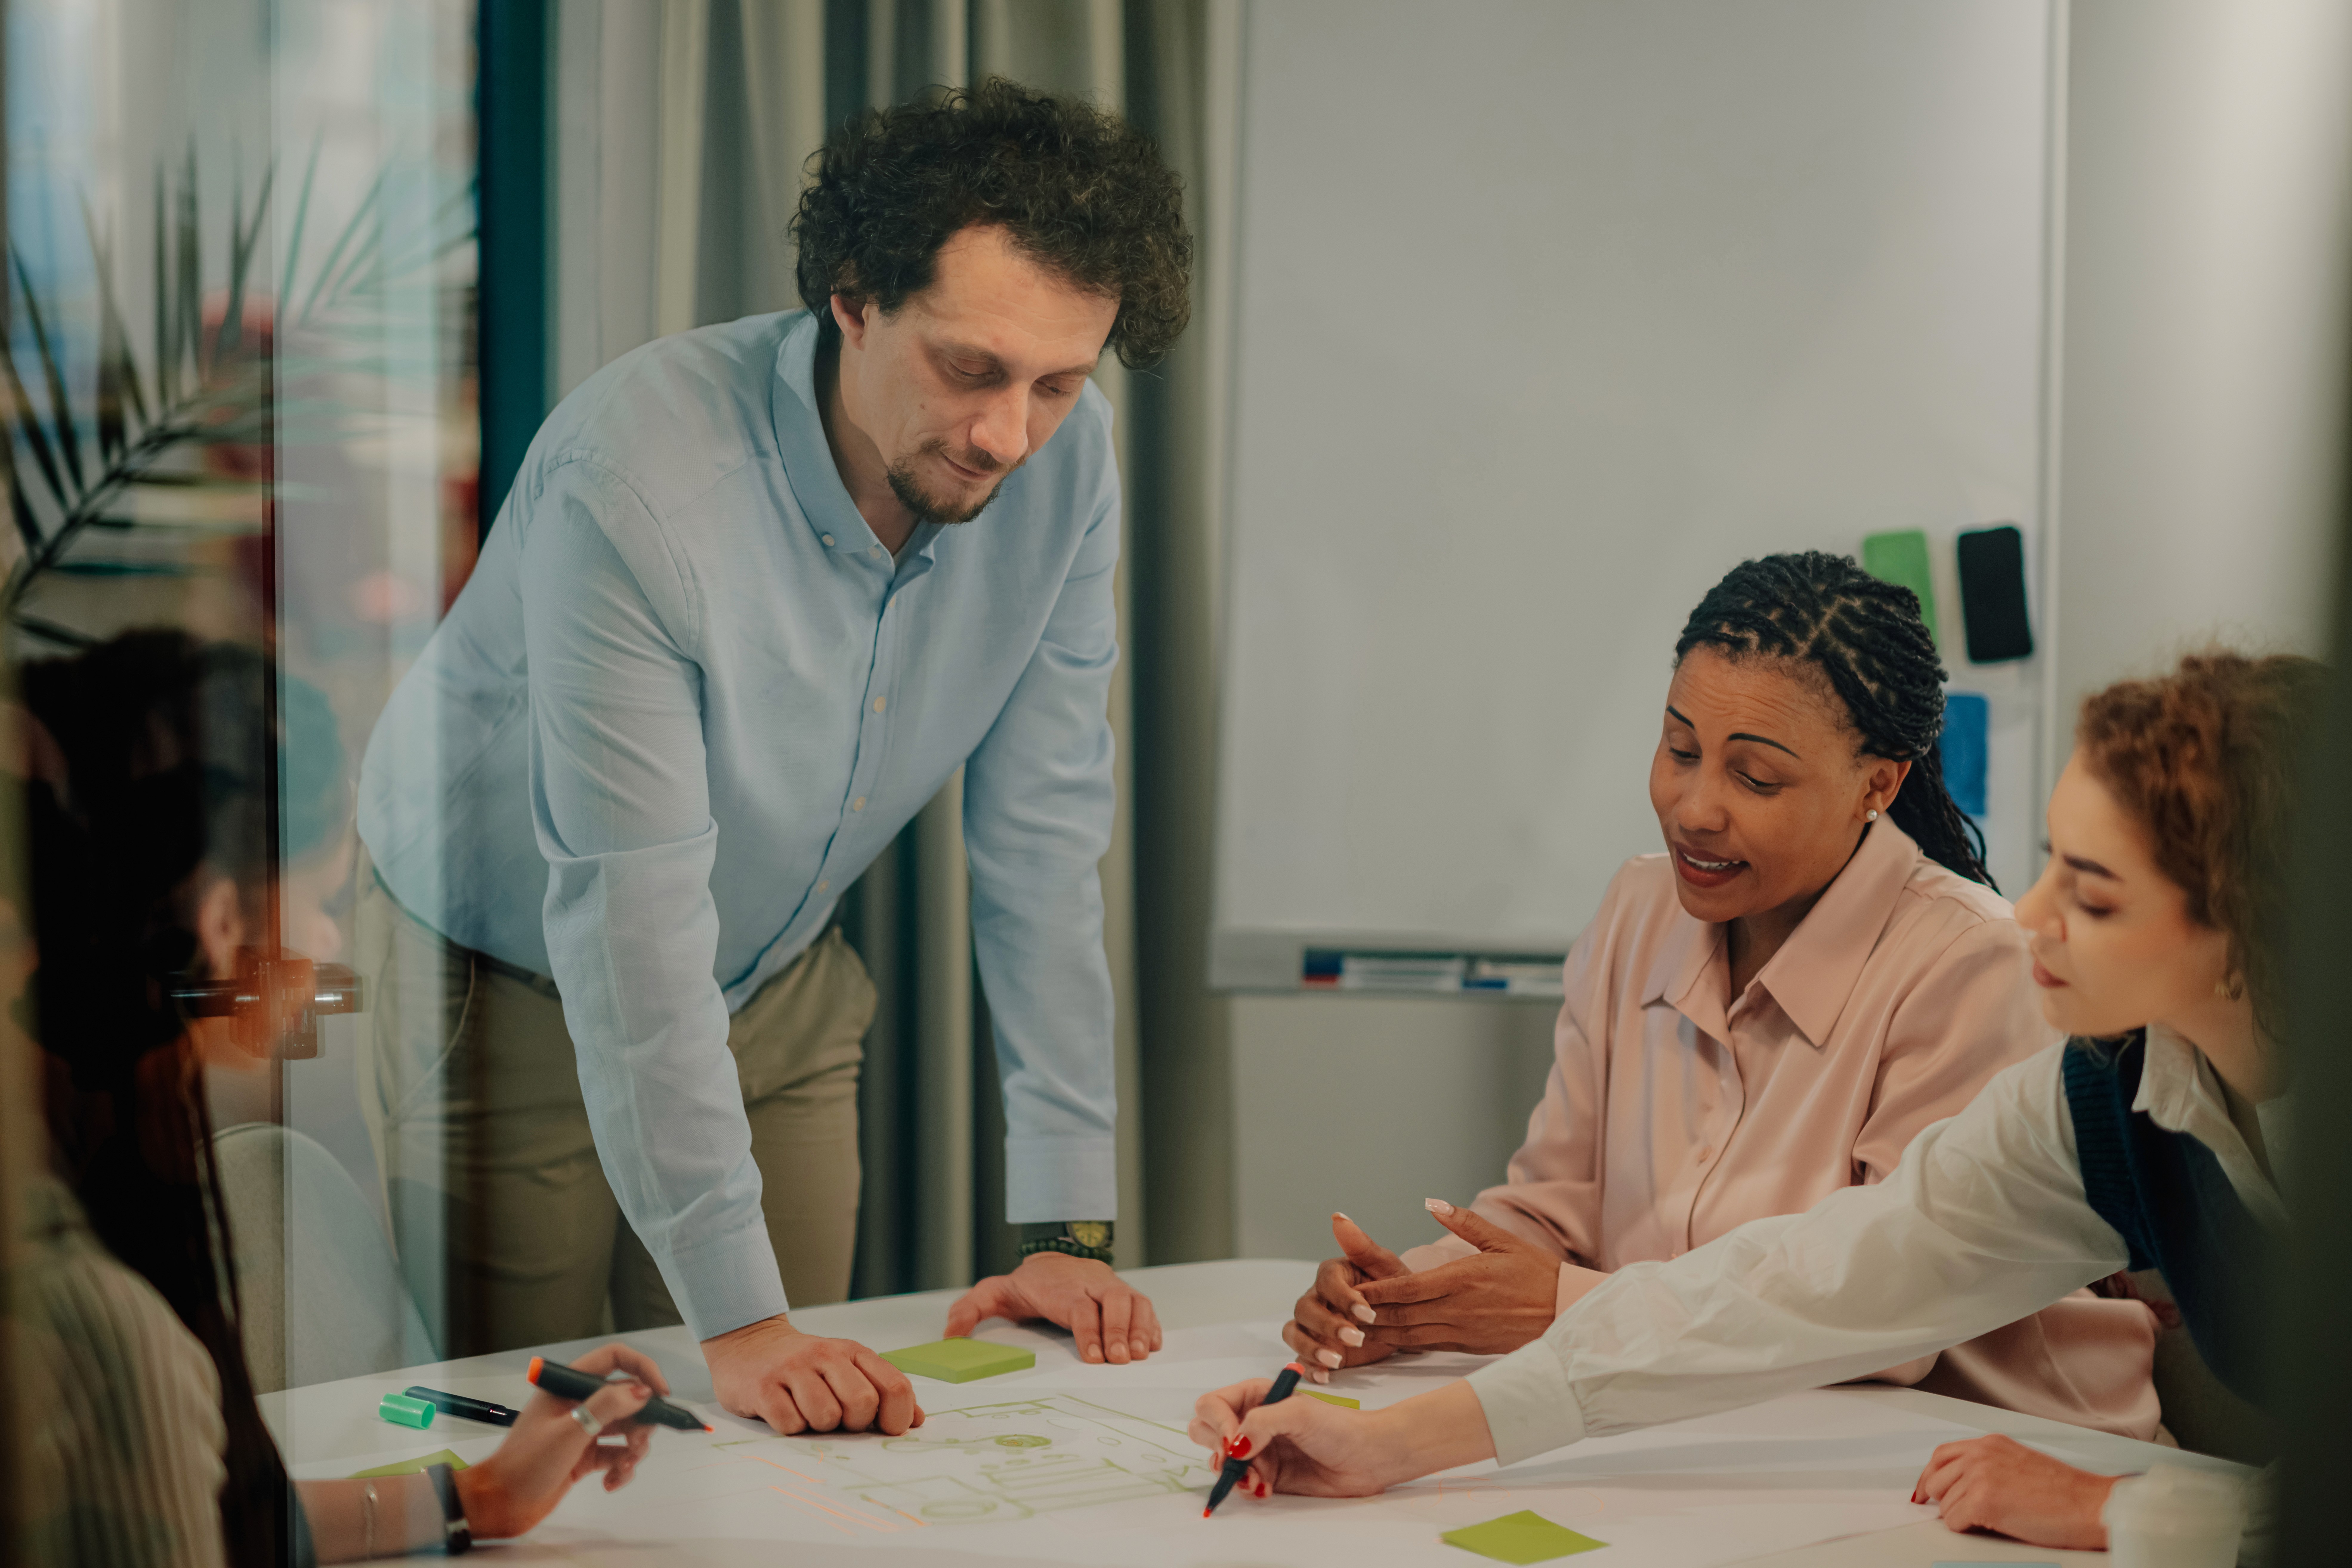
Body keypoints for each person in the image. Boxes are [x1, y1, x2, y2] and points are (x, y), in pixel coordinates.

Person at [353, 79, 1192, 1434]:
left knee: (792, 1437)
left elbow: (1044, 844)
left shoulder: (1062, 465)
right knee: (538, 1451)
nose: (1007, 436)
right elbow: (630, 922)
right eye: (970, 368)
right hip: (507, 984)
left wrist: (1068, 1231)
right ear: (851, 297)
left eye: (1057, 382)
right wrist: (739, 1324)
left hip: (780, 979)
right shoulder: (638, 484)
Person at [1197, 650, 2310, 1553]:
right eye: (2053, 864)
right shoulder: (2110, 1091)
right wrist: (1395, 1443)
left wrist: (2126, 1510)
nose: (2028, 914)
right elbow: (1797, 1285)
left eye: (2095, 894)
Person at [1285, 551, 2159, 1436]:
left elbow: (1888, 1322)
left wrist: (1560, 1306)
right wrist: (1409, 1298)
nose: (1695, 807)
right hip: (1731, 1431)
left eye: (1756, 778)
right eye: (1679, 749)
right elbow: (1553, 1207)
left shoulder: (1972, 959)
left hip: (1990, 1451)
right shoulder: (1638, 907)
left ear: (1878, 784)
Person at [15, 630, 677, 1565]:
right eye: (322, 894)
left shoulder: (82, 1147)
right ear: (221, 920)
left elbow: (218, 1516)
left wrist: (474, 1494)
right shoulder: (111, 1331)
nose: (329, 935)